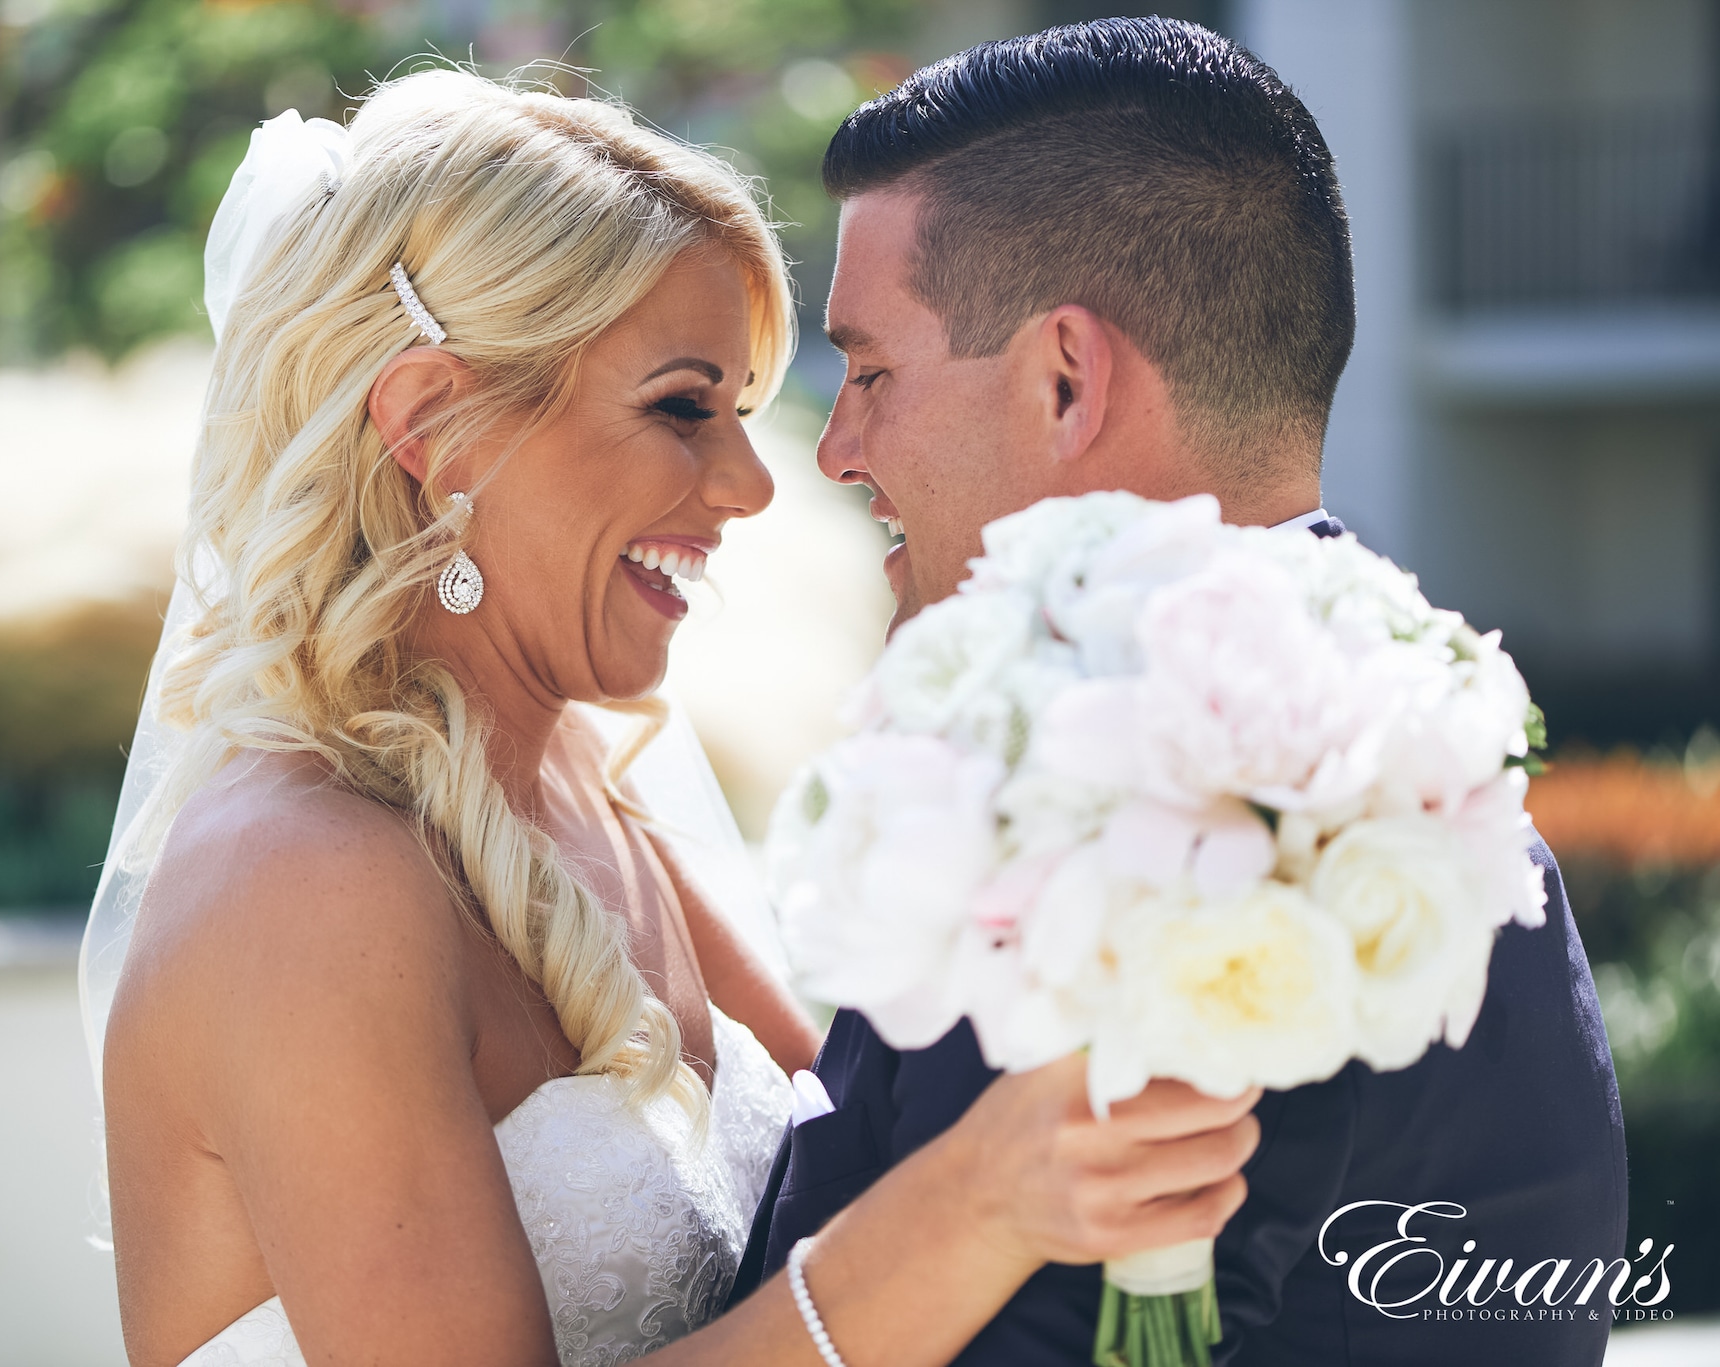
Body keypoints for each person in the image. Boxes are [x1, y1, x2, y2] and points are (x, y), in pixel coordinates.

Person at [83, 67, 1263, 1367]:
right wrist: (972, 1213)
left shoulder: (582, 790)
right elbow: (925, 1212)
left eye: (746, 412)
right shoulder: (298, 880)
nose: (756, 484)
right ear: (436, 425)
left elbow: (864, 1146)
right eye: (684, 408)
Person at [732, 18, 1628, 1367]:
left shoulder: (1147, 810)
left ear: (1066, 378)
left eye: (869, 372)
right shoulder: (1395, 749)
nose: (840, 445)